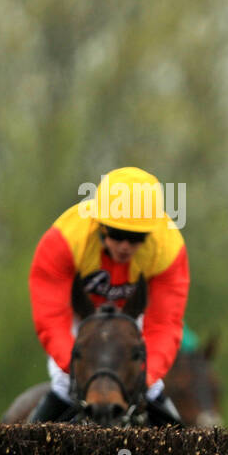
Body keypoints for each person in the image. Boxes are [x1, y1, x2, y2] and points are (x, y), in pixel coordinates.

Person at [26, 166, 188, 424]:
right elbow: (52, 317)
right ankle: (25, 450)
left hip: (130, 320)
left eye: (136, 238)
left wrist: (144, 375)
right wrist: (76, 366)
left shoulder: (169, 249)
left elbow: (164, 325)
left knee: (154, 388)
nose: (125, 246)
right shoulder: (63, 240)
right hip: (79, 318)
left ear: (152, 233)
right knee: (63, 382)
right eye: (117, 234)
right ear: (99, 225)